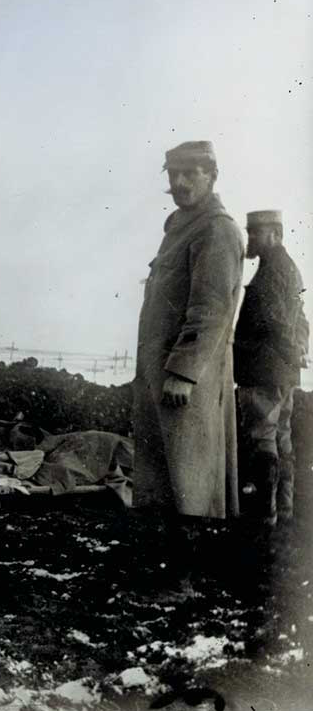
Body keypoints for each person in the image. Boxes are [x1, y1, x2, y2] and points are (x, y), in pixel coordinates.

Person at [132, 141, 244, 523]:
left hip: (184, 382)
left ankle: (182, 581)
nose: (179, 182)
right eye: (173, 174)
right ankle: (162, 574)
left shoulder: (217, 230)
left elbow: (211, 309)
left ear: (211, 176)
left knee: (188, 480)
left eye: (190, 173)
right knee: (163, 478)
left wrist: (183, 372)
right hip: (159, 372)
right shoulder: (181, 226)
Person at [234, 210, 309, 527]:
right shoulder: (289, 269)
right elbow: (301, 320)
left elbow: (274, 320)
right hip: (284, 373)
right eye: (249, 232)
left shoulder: (271, 272)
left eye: (255, 234)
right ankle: (285, 512)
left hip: (263, 371)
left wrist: (290, 349)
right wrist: (299, 350)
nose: (249, 239)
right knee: (282, 439)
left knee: (261, 439)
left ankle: (264, 516)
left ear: (275, 234)